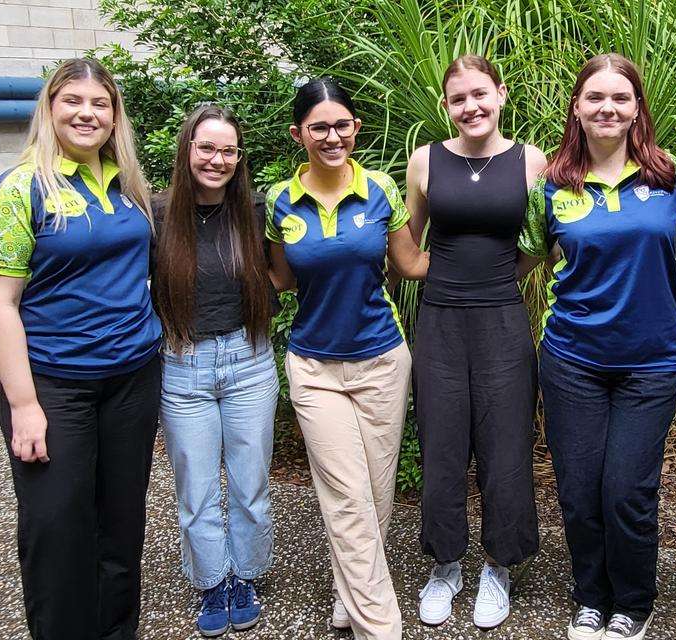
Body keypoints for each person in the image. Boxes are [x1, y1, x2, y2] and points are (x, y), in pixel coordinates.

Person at [0, 58, 161, 639]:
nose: (87, 113)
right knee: (57, 533)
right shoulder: (19, 188)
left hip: (132, 378)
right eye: (73, 101)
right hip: (54, 386)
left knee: (121, 528)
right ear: (49, 109)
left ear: (114, 116)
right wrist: (24, 405)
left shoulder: (127, 185)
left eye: (100, 103)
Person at [519, 53, 676, 640]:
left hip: (652, 360)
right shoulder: (552, 188)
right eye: (595, 97)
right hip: (571, 359)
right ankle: (590, 595)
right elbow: (529, 260)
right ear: (577, 107)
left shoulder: (670, 178)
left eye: (620, 97)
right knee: (580, 488)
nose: (607, 108)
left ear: (637, 107)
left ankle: (633, 603)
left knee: (626, 490)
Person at [266, 78, 428, 640]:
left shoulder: (381, 187)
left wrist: (486, 258)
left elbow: (409, 263)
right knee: (346, 494)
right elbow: (280, 279)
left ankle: (349, 596)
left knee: (377, 495)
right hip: (314, 366)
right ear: (298, 134)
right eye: (319, 127)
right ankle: (379, 626)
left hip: (383, 357)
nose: (332, 136)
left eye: (342, 125)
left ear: (356, 128)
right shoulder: (279, 201)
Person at [404, 54, 546, 629]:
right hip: (439, 320)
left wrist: (492, 278)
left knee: (506, 445)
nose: (472, 106)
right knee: (441, 446)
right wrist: (446, 274)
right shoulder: (425, 161)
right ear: (447, 106)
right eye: (459, 99)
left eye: (481, 94)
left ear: (501, 94)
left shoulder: (531, 161)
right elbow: (407, 244)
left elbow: (540, 244)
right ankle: (445, 566)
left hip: (503, 321)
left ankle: (499, 567)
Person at [152, 105, 279, 637]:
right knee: (197, 488)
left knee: (250, 483)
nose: (217, 159)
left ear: (239, 157)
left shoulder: (255, 209)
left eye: (228, 150)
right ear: (187, 149)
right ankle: (212, 580)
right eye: (207, 147)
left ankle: (246, 574)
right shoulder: (156, 214)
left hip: (250, 359)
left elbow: (283, 272)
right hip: (184, 365)